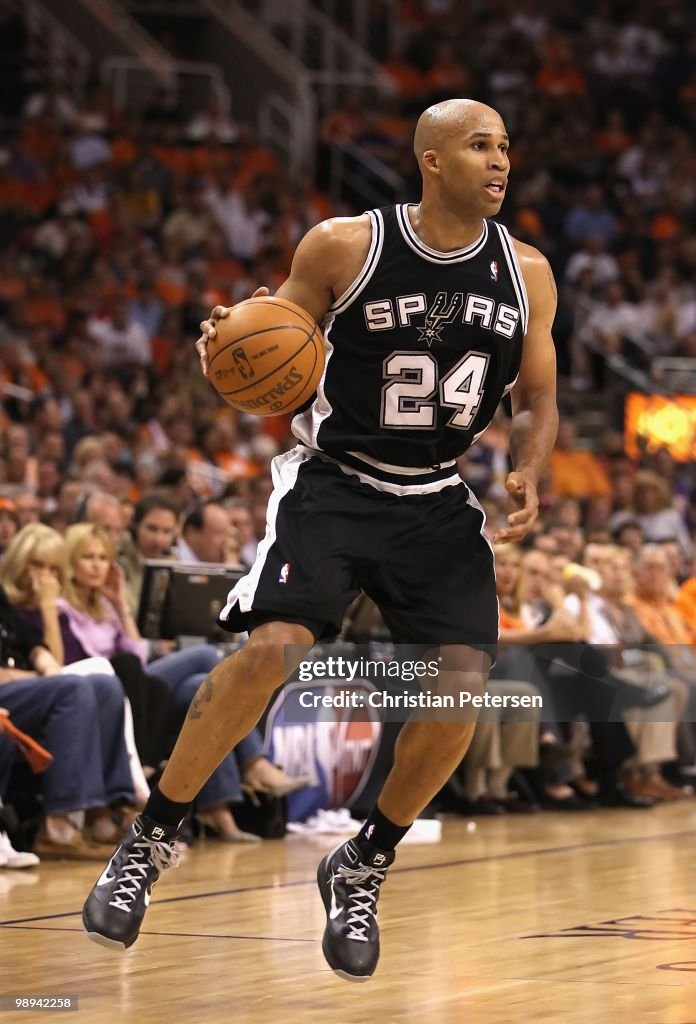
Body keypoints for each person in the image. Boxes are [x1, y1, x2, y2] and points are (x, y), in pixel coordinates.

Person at [83, 98, 559, 979]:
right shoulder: (345, 244)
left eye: (505, 147)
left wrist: (528, 461)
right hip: (333, 481)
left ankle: (364, 860)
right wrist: (229, 339)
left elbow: (536, 397)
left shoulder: (527, 271)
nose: (499, 161)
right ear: (430, 160)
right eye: (479, 146)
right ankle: (149, 841)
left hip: (436, 495)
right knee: (273, 649)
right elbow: (274, 332)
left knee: (460, 686)